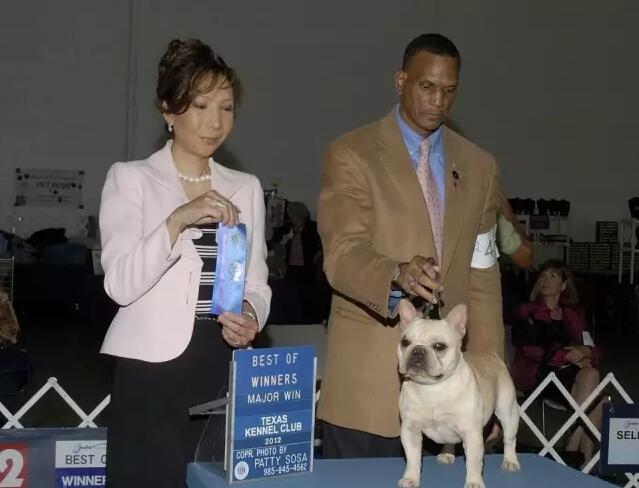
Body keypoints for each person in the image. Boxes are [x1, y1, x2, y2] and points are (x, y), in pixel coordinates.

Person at [317, 33, 504, 458]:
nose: (438, 100)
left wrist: (492, 379)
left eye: (449, 91)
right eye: (426, 86)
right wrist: (396, 273)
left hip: (454, 404)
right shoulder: (350, 154)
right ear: (400, 80)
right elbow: (342, 253)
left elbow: (483, 276)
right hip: (367, 394)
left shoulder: (479, 166)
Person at [99, 39, 271, 487]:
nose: (215, 122)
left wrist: (251, 314)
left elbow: (258, 282)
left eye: (227, 108)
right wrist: (177, 221)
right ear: (168, 110)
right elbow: (119, 284)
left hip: (220, 366)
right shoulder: (130, 179)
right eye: (200, 105)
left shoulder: (246, 187)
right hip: (150, 377)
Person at [510, 260, 602, 465]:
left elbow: (593, 348)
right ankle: (578, 456)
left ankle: (577, 456)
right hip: (538, 374)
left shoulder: (574, 315)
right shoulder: (525, 311)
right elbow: (529, 350)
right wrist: (565, 356)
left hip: (570, 375)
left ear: (563, 285)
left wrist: (584, 351)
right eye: (542, 275)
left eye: (553, 276)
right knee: (596, 395)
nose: (545, 280)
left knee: (593, 381)